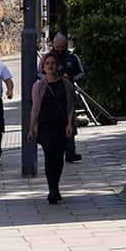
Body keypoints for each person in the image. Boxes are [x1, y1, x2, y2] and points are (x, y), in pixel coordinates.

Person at [28, 51, 78, 204]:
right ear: (43, 67)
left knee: (59, 157)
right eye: (47, 63)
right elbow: (35, 108)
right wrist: (31, 128)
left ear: (58, 66)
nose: (50, 66)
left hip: (61, 125)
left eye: (53, 63)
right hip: (45, 126)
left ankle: (56, 186)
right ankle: (52, 190)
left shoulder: (66, 84)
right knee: (49, 157)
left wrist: (70, 124)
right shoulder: (38, 86)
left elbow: (70, 106)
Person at [45, 32, 86, 162]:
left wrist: (72, 78)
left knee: (70, 123)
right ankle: (55, 151)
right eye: (57, 47)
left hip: (68, 95)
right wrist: (52, 78)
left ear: (66, 45)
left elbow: (81, 73)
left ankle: (70, 152)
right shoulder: (47, 58)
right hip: (51, 95)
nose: (59, 50)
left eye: (62, 47)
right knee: (53, 125)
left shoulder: (72, 58)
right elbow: (39, 74)